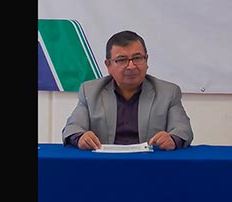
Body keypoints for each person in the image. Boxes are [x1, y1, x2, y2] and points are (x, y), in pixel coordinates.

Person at [62, 30, 193, 150]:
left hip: (149, 165)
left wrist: (173, 140)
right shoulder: (90, 91)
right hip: (105, 164)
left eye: (137, 58)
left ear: (146, 60)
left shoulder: (168, 92)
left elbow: (183, 130)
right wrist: (80, 138)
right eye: (122, 60)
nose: (131, 66)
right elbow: (72, 128)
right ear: (108, 65)